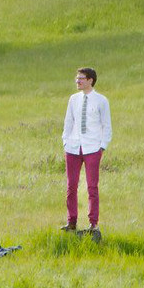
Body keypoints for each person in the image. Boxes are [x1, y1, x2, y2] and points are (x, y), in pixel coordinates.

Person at [61, 67, 111, 235]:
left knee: (92, 187)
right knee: (71, 186)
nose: (78, 81)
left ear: (90, 80)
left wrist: (102, 146)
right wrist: (65, 141)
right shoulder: (73, 99)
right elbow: (68, 122)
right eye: (77, 78)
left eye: (81, 78)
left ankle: (93, 223)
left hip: (92, 148)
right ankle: (71, 221)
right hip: (73, 148)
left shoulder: (101, 100)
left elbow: (106, 125)